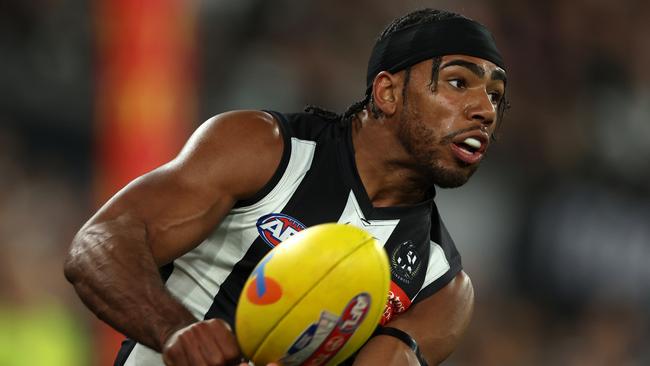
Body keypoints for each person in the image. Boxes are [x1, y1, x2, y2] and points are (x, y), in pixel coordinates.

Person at [64, 8, 508, 366]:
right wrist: (175, 330)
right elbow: (98, 245)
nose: (485, 111)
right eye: (458, 82)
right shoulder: (265, 149)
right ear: (388, 93)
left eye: (495, 97)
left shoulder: (441, 286)